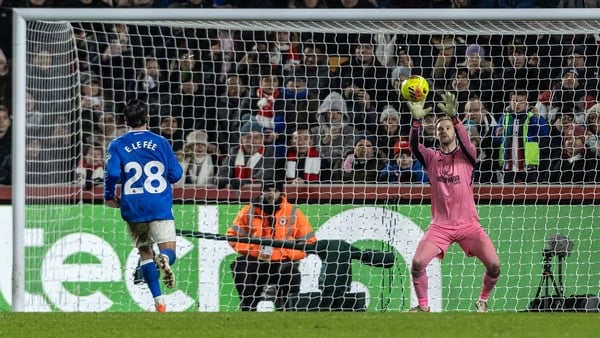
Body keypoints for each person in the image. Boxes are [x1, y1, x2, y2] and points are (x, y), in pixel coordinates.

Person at [406, 92, 501, 313]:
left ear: (455, 132)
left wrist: (456, 118)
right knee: (418, 264)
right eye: (440, 129)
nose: (444, 131)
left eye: (447, 127)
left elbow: (467, 143)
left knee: (495, 266)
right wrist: (416, 122)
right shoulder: (430, 157)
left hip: (469, 225)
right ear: (437, 134)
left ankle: (483, 300)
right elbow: (413, 146)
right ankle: (423, 307)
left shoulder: (468, 155)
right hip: (441, 225)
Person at [104, 99, 183, 313]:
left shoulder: (117, 144)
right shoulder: (161, 142)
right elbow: (176, 174)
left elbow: (111, 174)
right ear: (147, 117)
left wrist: (109, 195)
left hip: (133, 207)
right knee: (167, 249)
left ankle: (159, 302)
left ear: (125, 120)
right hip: (159, 205)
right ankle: (165, 259)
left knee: (145, 253)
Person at [227, 178, 317, 311]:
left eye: (275, 191)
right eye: (267, 190)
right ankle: (248, 306)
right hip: (258, 260)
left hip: (283, 262)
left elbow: (310, 242)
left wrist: (287, 254)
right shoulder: (249, 210)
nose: (271, 194)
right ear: (262, 192)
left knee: (292, 274)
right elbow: (232, 236)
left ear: (280, 192)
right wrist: (253, 250)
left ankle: (288, 308)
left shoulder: (292, 212)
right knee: (239, 266)